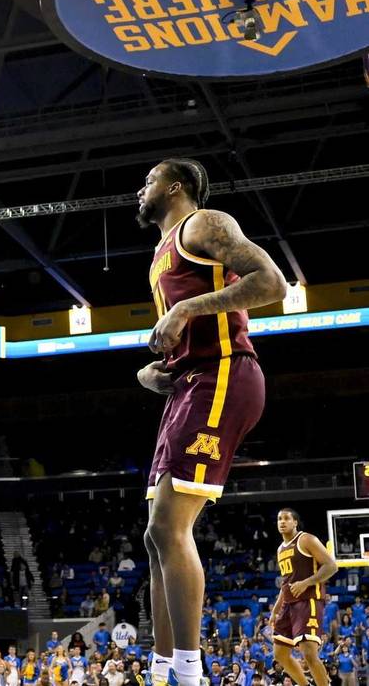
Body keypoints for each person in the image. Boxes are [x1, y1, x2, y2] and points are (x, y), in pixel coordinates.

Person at [135, 158, 287, 686]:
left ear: (176, 187)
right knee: (155, 537)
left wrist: (185, 310)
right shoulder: (159, 253)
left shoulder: (202, 224)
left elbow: (272, 283)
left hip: (225, 374)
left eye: (149, 181)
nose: (140, 189)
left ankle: (190, 671)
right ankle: (161, 668)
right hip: (189, 384)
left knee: (167, 527)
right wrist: (154, 371)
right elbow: (186, 331)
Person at [270, 508, 338, 686]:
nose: (282, 522)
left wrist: (306, 582)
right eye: (279, 519)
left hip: (309, 601)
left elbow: (331, 566)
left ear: (295, 522)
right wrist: (275, 610)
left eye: (286, 518)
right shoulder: (280, 549)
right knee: (280, 654)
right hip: (289, 604)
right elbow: (286, 583)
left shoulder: (306, 539)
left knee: (308, 653)